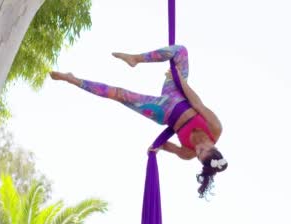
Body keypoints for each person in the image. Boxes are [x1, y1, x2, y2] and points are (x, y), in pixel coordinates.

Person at [50, 45, 227, 197]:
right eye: (202, 149)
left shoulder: (187, 154)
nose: (197, 149)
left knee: (120, 95)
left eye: (198, 154)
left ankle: (72, 79)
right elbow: (197, 103)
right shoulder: (215, 128)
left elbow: (165, 146)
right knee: (180, 51)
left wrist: (155, 148)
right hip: (178, 93)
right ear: (214, 147)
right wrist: (179, 79)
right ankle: (135, 59)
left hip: (162, 112)